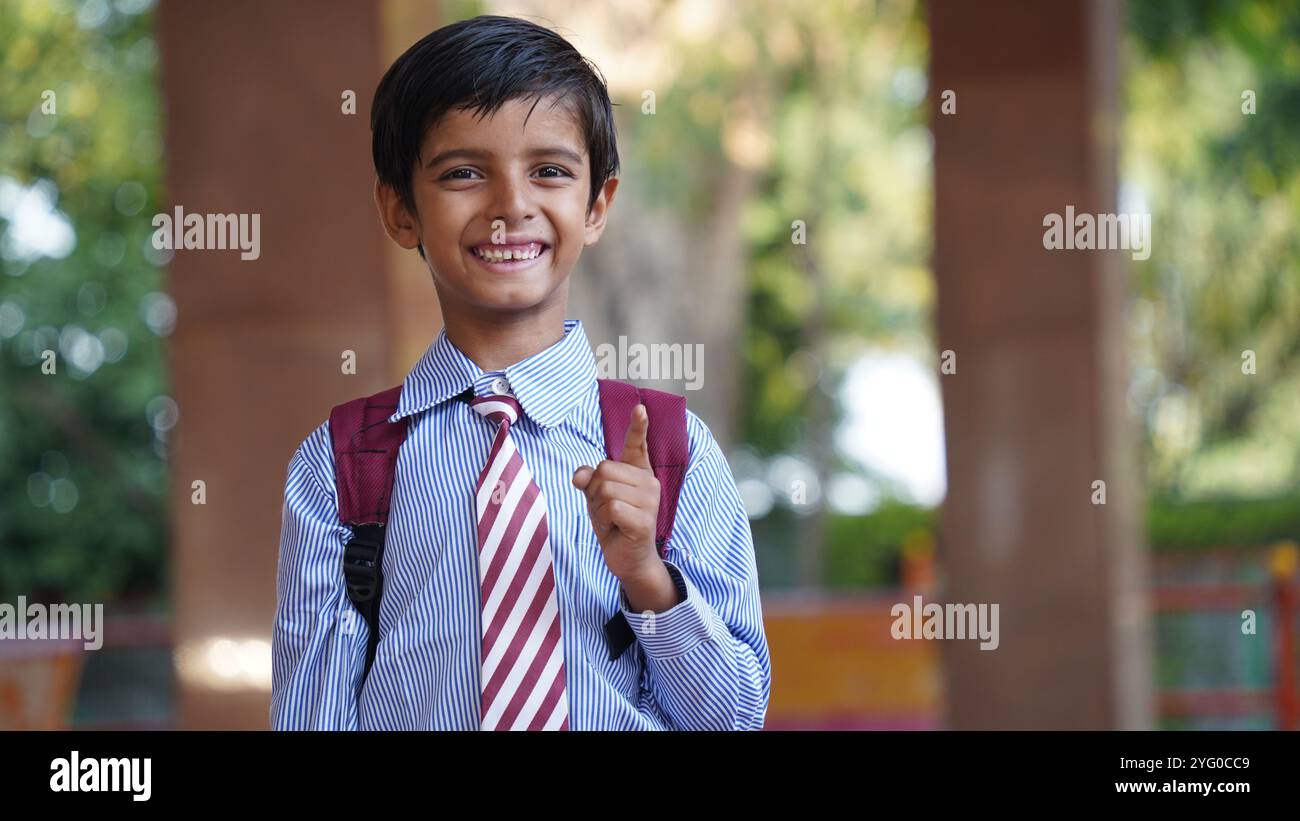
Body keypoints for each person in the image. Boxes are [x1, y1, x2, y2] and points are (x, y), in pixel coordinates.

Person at [270, 14, 770, 730]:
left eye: (550, 171)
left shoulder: (672, 451)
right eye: (463, 173)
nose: (511, 206)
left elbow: (733, 718)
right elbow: (311, 716)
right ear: (400, 210)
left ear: (597, 204)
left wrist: (649, 580)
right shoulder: (342, 466)